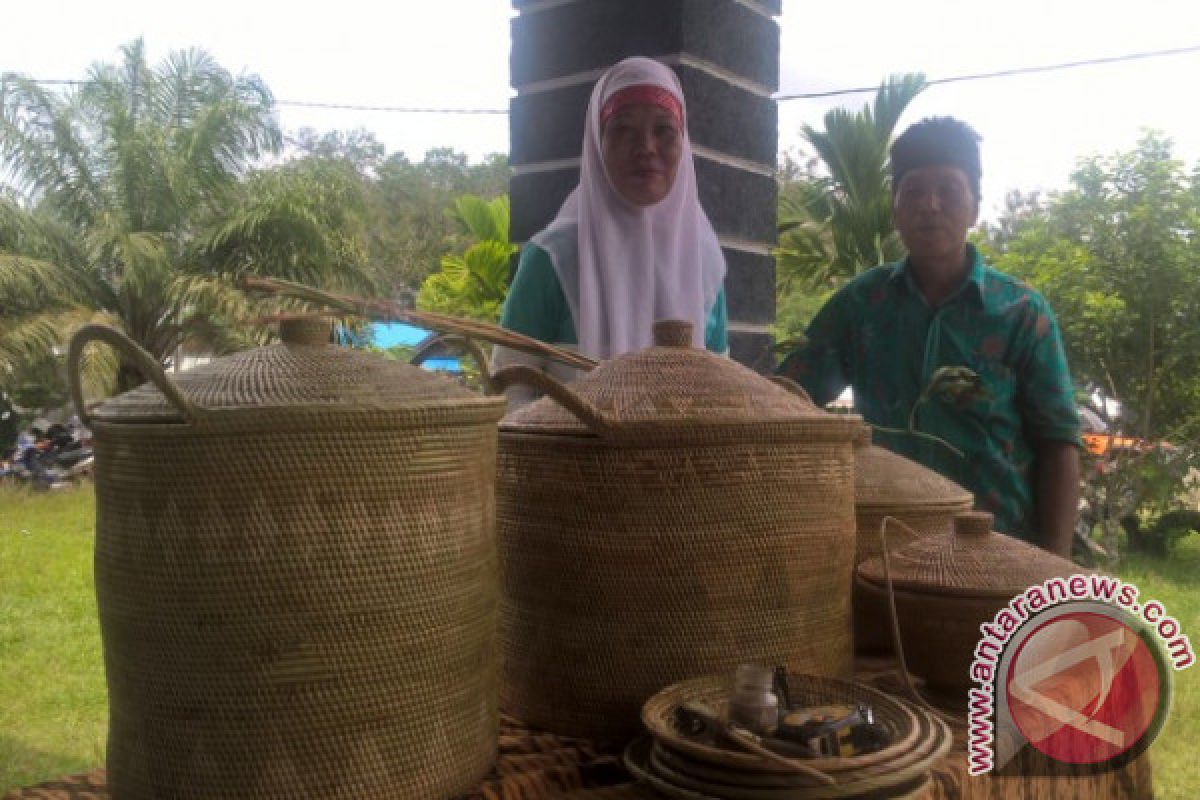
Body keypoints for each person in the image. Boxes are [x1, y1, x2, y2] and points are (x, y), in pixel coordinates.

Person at [777, 117, 1081, 556]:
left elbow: (1058, 444)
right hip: (884, 551)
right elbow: (790, 401)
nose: (930, 206)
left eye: (949, 191)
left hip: (1001, 554)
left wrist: (1055, 570)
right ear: (895, 208)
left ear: (975, 206)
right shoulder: (861, 305)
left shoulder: (1021, 313)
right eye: (914, 191)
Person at [495, 57, 727, 403]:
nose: (646, 148)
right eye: (622, 130)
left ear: (684, 142)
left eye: (664, 130)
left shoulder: (703, 265)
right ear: (596, 143)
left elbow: (725, 397)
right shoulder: (554, 259)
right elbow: (507, 392)